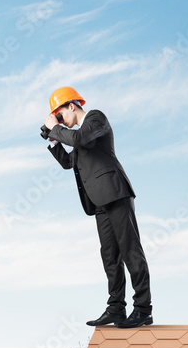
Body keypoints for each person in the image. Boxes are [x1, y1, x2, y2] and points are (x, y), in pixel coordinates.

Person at [42, 86, 153, 328]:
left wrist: (57, 128)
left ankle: (143, 309)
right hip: (99, 201)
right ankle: (116, 308)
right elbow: (70, 162)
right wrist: (54, 141)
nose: (60, 120)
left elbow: (79, 139)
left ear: (72, 106)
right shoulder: (80, 137)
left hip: (116, 194)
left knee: (130, 251)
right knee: (110, 257)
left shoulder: (95, 118)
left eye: (59, 114)